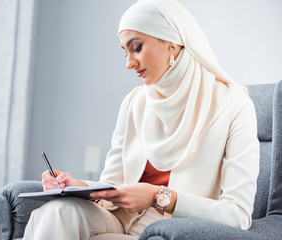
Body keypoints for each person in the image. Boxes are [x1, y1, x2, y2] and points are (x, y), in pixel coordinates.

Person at [23, 0, 259, 239]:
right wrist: (78, 186)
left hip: (172, 230)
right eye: (125, 52)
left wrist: (158, 197)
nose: (129, 63)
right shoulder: (135, 102)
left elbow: (238, 215)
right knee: (58, 212)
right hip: (118, 220)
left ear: (172, 43)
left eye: (136, 48)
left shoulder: (233, 106)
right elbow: (112, 183)